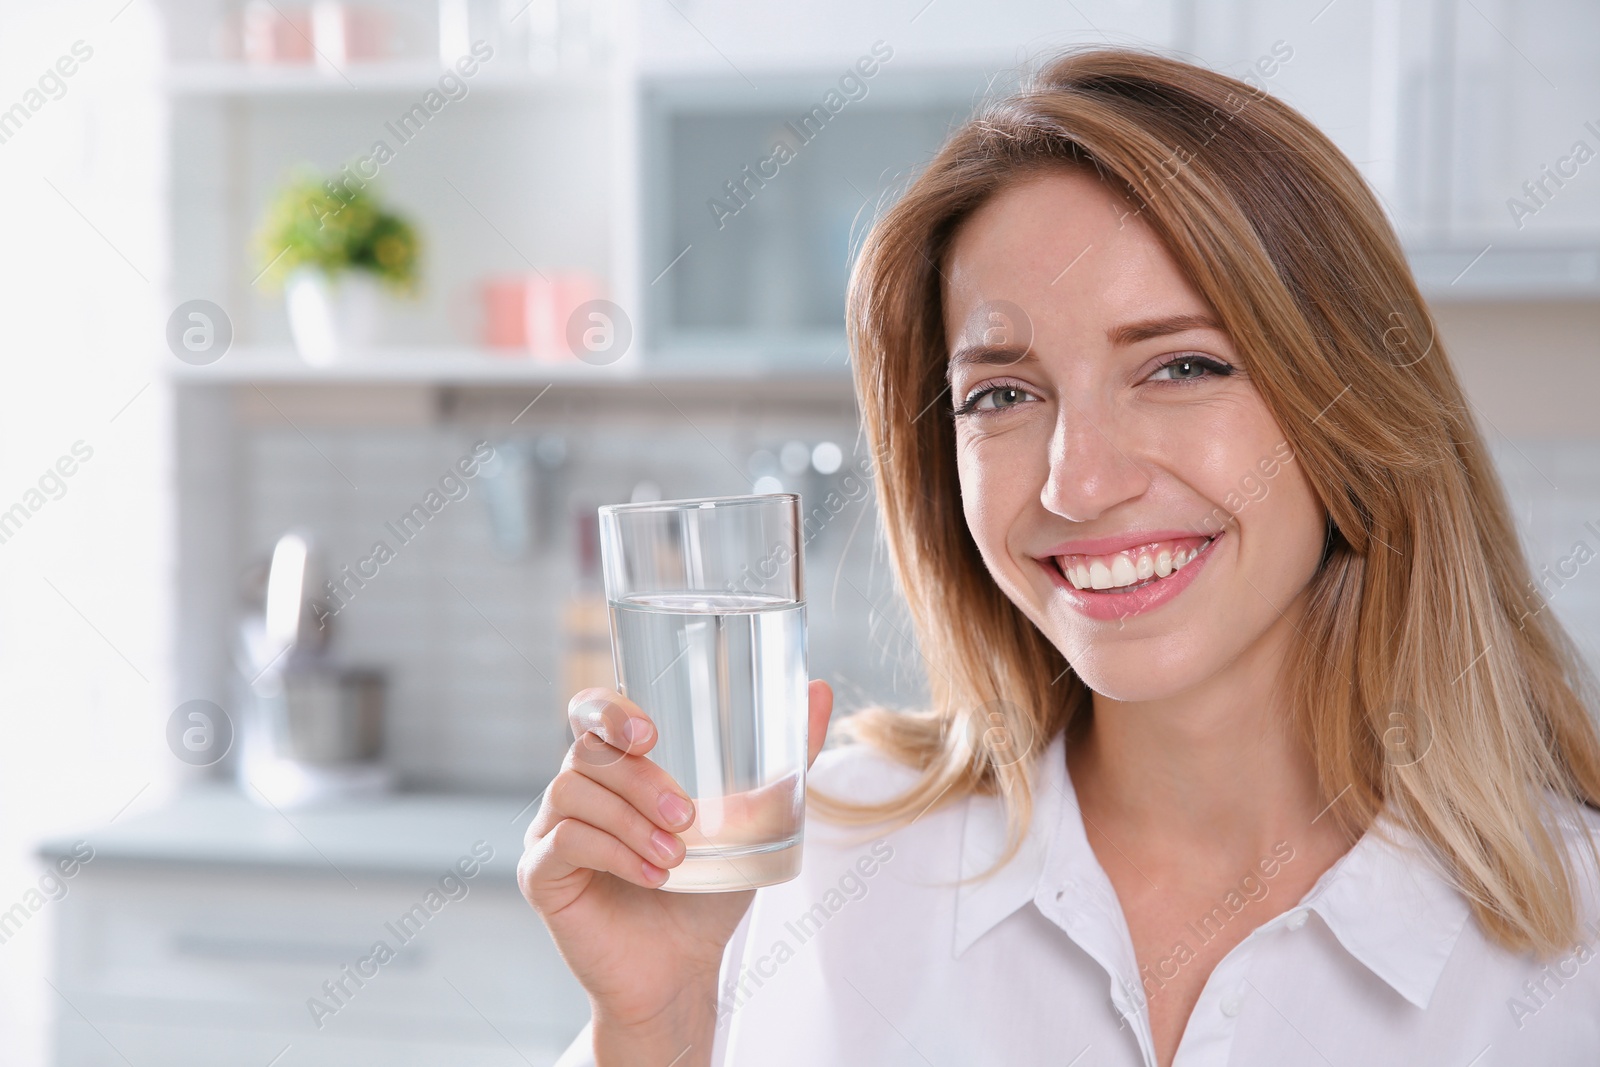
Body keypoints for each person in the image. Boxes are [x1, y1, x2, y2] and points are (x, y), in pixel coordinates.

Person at [520, 47, 1600, 1066]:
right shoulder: (816, 869)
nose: (1076, 483)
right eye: (1002, 393)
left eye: (1179, 366)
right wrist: (653, 1023)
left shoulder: (1570, 945)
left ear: (1348, 400)